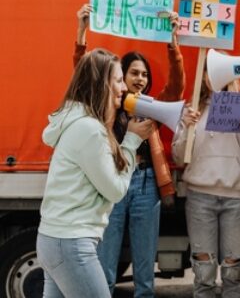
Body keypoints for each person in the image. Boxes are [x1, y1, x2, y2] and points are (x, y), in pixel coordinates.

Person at [74, 4, 186, 297]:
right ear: (120, 77)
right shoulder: (107, 104)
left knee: (145, 273)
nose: (140, 79)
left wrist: (173, 42)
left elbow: (176, 87)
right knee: (105, 267)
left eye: (145, 74)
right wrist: (82, 32)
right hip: (113, 184)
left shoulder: (151, 107)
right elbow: (83, 77)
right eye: (133, 73)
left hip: (147, 187)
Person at [37, 48, 154, 298]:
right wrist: (132, 141)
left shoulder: (79, 122)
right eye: (119, 80)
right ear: (102, 84)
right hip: (72, 243)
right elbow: (115, 190)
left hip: (55, 240)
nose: (124, 89)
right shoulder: (90, 129)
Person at [171, 61, 240, 298]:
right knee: (203, 275)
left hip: (235, 198)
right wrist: (185, 126)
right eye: (208, 71)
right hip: (200, 198)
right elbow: (179, 157)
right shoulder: (191, 110)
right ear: (202, 76)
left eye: (220, 70)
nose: (213, 76)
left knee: (233, 273)